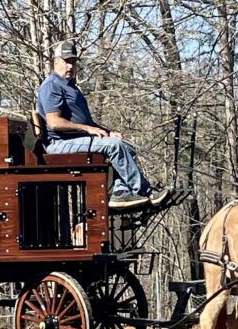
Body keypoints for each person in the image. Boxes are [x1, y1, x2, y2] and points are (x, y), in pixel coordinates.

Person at [37, 40, 170, 210]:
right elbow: (54, 123)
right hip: (58, 144)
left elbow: (86, 122)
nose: (71, 66)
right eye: (66, 61)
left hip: (76, 139)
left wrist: (108, 132)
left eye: (74, 62)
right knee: (114, 146)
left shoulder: (72, 88)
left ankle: (120, 193)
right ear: (56, 62)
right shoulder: (51, 86)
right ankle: (146, 190)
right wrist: (88, 129)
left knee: (126, 146)